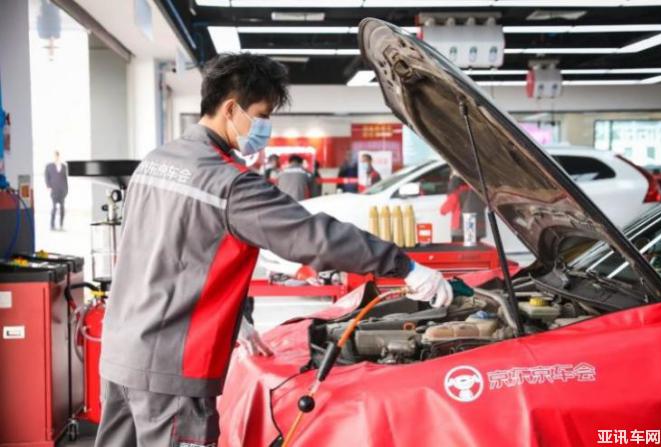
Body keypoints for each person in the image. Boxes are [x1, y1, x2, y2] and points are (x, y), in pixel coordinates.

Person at [95, 53, 462, 446]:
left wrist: (233, 321)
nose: (265, 126)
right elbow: (311, 236)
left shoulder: (155, 162)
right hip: (172, 370)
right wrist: (404, 266)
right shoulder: (228, 183)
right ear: (230, 109)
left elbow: (164, 253)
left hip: (121, 353)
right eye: (262, 114)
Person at [440, 171, 486, 243]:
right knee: (473, 248)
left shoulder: (456, 194)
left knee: (458, 249)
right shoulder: (478, 193)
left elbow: (443, 210)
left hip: (460, 230)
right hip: (477, 229)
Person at [44, 150, 68, 230]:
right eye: (55, 156)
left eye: (57, 156)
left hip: (62, 190)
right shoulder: (49, 166)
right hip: (54, 190)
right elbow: (46, 176)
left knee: (62, 208)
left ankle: (61, 225)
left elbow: (65, 179)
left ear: (59, 156)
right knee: (54, 207)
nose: (56, 157)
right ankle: (52, 225)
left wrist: (66, 190)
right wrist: (48, 186)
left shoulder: (63, 166)